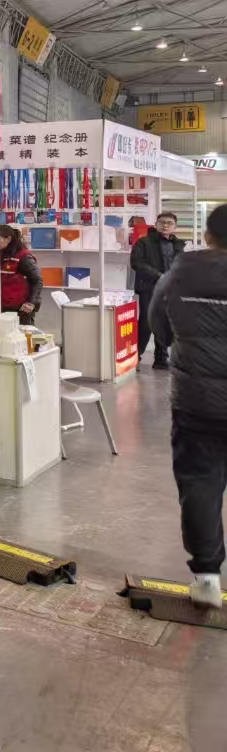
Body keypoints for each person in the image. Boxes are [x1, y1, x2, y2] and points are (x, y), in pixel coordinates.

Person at [149, 202, 227, 609]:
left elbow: (158, 324)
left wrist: (185, 350)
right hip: (199, 400)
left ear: (208, 235)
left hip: (196, 401)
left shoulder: (180, 271)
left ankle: (208, 578)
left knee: (199, 484)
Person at [132, 212, 186, 369]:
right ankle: (135, 356)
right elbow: (136, 263)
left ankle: (161, 358)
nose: (165, 225)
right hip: (149, 287)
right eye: (162, 222)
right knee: (146, 322)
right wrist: (159, 276)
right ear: (156, 224)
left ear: (175, 227)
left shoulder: (178, 245)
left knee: (165, 322)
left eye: (169, 223)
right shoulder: (144, 242)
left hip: (170, 289)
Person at [0, 224, 43, 326]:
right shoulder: (2, 255)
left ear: (8, 239)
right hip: (5, 307)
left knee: (23, 334)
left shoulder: (23, 257)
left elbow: (37, 280)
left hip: (22, 310)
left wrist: (31, 302)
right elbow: (2, 276)